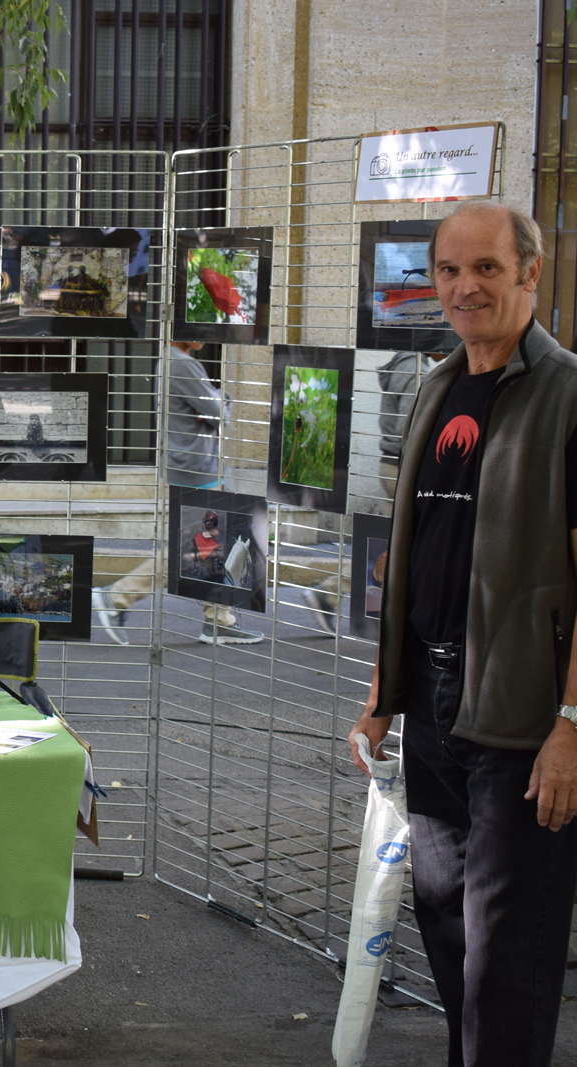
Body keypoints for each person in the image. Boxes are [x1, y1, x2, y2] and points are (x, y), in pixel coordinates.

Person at [347, 201, 577, 1067]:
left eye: (486, 267)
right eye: (449, 270)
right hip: (437, 708)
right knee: (448, 931)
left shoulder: (568, 396)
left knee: (506, 962)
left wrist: (572, 725)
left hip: (524, 719)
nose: (465, 286)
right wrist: (382, 698)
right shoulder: (437, 385)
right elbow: (415, 561)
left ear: (530, 272)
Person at [93, 340, 264, 646]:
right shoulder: (183, 363)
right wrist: (221, 398)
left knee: (212, 544)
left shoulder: (171, 360)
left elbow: (209, 413)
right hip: (195, 469)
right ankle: (116, 597)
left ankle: (218, 621)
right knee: (189, 549)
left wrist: (212, 406)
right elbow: (218, 413)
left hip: (191, 466)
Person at [300, 351, 437, 634]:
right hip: (404, 468)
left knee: (396, 545)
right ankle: (330, 595)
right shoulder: (415, 370)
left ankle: (329, 595)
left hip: (393, 465)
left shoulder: (408, 365)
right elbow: (408, 428)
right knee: (408, 544)